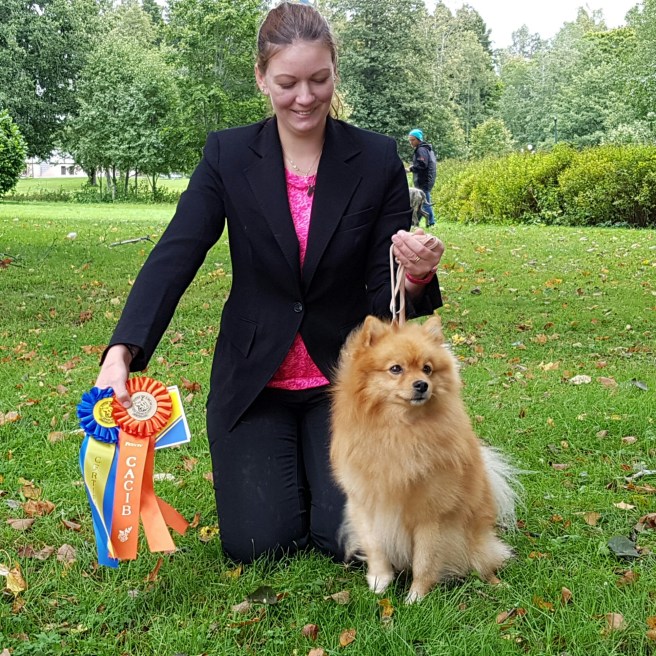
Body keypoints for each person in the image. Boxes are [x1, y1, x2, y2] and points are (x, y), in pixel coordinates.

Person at [95, 1, 445, 564]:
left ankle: (319, 485)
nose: (304, 97)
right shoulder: (227, 154)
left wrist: (419, 273)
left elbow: (384, 297)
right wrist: (122, 352)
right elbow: (175, 254)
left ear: (334, 72)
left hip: (346, 386)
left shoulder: (376, 158)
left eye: (318, 80)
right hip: (255, 380)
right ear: (262, 77)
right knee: (258, 544)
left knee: (352, 542)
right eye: (287, 82)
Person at [407, 128, 437, 227]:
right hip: (426, 179)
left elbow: (422, 165)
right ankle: (415, 223)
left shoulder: (421, 149)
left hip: (424, 180)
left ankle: (431, 223)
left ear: (419, 139)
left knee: (425, 203)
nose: (411, 142)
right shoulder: (425, 149)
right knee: (421, 202)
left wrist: (410, 169)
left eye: (413, 140)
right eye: (410, 140)